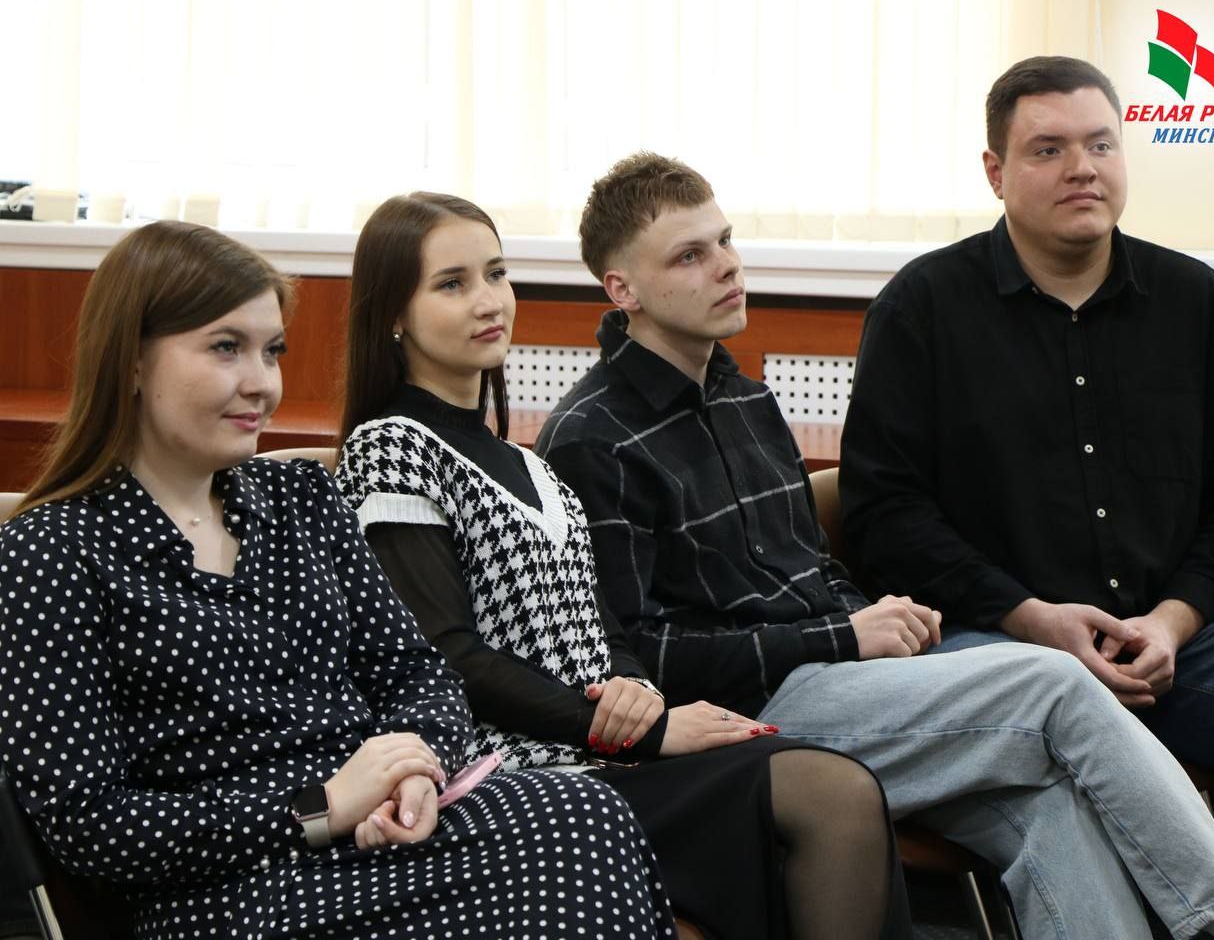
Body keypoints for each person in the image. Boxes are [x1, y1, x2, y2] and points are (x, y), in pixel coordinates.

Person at [536, 150, 1214, 940]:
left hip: (841, 684)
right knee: (1053, 683)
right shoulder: (592, 439)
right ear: (622, 289)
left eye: (724, 241)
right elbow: (634, 659)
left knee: (1051, 805)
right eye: (689, 256)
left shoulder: (744, 398)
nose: (726, 266)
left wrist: (884, 623)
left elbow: (809, 571)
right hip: (744, 715)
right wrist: (845, 637)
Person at [0, 220, 675, 939]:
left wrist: (413, 773)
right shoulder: (49, 552)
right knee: (577, 839)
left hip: (375, 836)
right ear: (131, 361)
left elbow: (418, 673)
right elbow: (89, 825)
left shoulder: (301, 498)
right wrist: (318, 806)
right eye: (226, 348)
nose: (261, 383)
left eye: (272, 351)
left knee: (586, 814)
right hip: (233, 891)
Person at [332, 191, 913, 940]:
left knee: (831, 785)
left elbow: (604, 628)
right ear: (394, 315)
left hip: (603, 755)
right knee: (827, 790)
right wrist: (636, 731)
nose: (488, 300)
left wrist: (639, 690)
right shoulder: (390, 448)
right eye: (452, 283)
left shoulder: (527, 462)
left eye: (496, 273)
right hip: (520, 774)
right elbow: (446, 655)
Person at [839, 56, 1214, 779]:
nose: (1083, 168)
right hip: (999, 646)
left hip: (1186, 645)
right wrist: (1031, 617)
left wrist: (1171, 622)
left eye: (1101, 144)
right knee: (1044, 710)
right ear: (996, 172)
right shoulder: (921, 309)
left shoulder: (1196, 302)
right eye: (1048, 150)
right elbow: (884, 515)